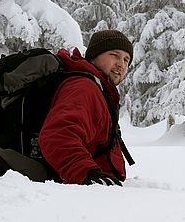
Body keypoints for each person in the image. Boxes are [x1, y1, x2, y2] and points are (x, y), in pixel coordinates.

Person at [38, 29, 133, 186]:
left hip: (96, 194)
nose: (121, 64)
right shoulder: (84, 88)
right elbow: (58, 135)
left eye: (126, 59)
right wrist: (87, 174)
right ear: (94, 56)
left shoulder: (100, 90)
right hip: (79, 196)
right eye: (114, 55)